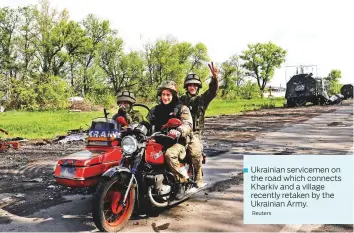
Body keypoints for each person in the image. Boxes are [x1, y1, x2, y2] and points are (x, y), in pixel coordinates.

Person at [147, 80, 193, 199]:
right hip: (159, 140)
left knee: (169, 154)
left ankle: (180, 183)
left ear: (173, 95)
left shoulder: (181, 108)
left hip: (178, 142)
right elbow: (147, 123)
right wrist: (136, 127)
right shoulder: (155, 110)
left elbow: (188, 124)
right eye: (163, 94)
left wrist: (179, 130)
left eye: (168, 95)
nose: (165, 97)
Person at [180, 62, 219, 188]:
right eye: (190, 85)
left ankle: (198, 177)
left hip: (195, 133)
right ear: (186, 87)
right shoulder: (181, 100)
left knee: (196, 152)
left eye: (194, 85)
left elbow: (212, 91)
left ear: (198, 87)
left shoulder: (202, 99)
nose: (192, 87)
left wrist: (215, 78)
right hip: (181, 130)